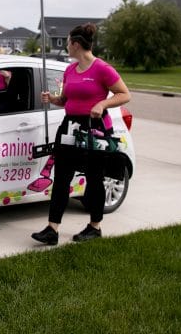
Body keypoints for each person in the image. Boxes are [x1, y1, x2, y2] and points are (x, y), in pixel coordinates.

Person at [31, 23, 131, 245]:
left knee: (94, 180)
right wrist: (53, 99)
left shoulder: (102, 69)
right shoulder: (69, 70)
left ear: (76, 44)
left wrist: (103, 104)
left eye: (67, 42)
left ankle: (95, 227)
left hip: (94, 129)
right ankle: (52, 229)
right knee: (61, 178)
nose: (66, 46)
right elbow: (65, 100)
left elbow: (125, 94)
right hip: (70, 128)